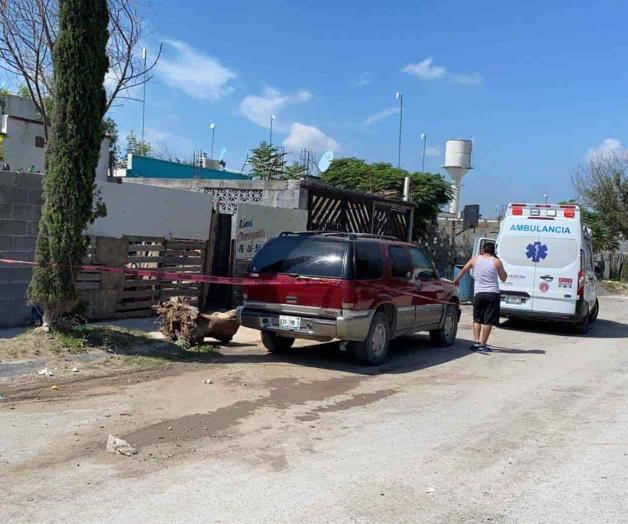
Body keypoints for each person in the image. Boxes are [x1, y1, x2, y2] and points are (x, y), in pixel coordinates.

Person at [453, 242, 507, 352]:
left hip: (479, 294)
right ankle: (483, 345)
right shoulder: (496, 262)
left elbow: (464, 270)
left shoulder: (475, 259)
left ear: (483, 250)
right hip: (492, 294)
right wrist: (501, 267)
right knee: (488, 321)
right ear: (494, 251)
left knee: (477, 319)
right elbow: (503, 278)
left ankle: (476, 343)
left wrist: (456, 280)